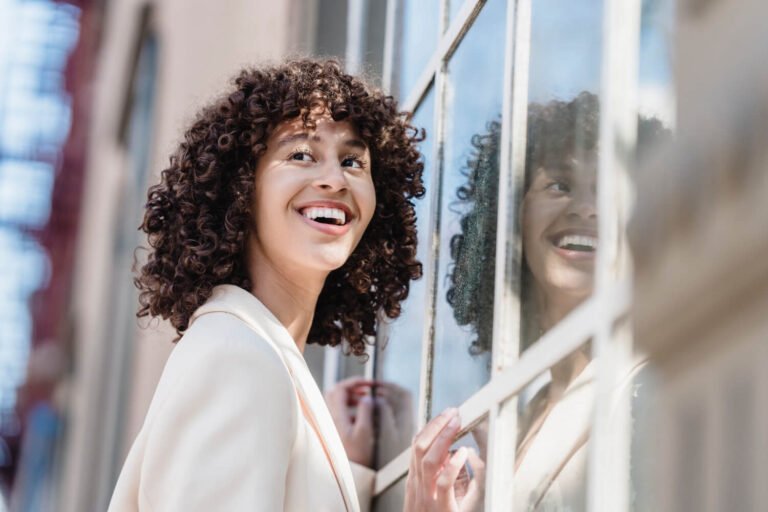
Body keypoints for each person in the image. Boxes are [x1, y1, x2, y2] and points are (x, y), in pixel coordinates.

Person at [107, 58, 425, 512]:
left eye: (353, 161)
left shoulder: (256, 354)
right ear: (241, 189)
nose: (335, 180)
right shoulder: (236, 359)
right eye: (301, 154)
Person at [404, 92, 669, 511]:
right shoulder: (525, 416)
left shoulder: (654, 385)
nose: (586, 209)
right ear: (508, 219)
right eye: (559, 185)